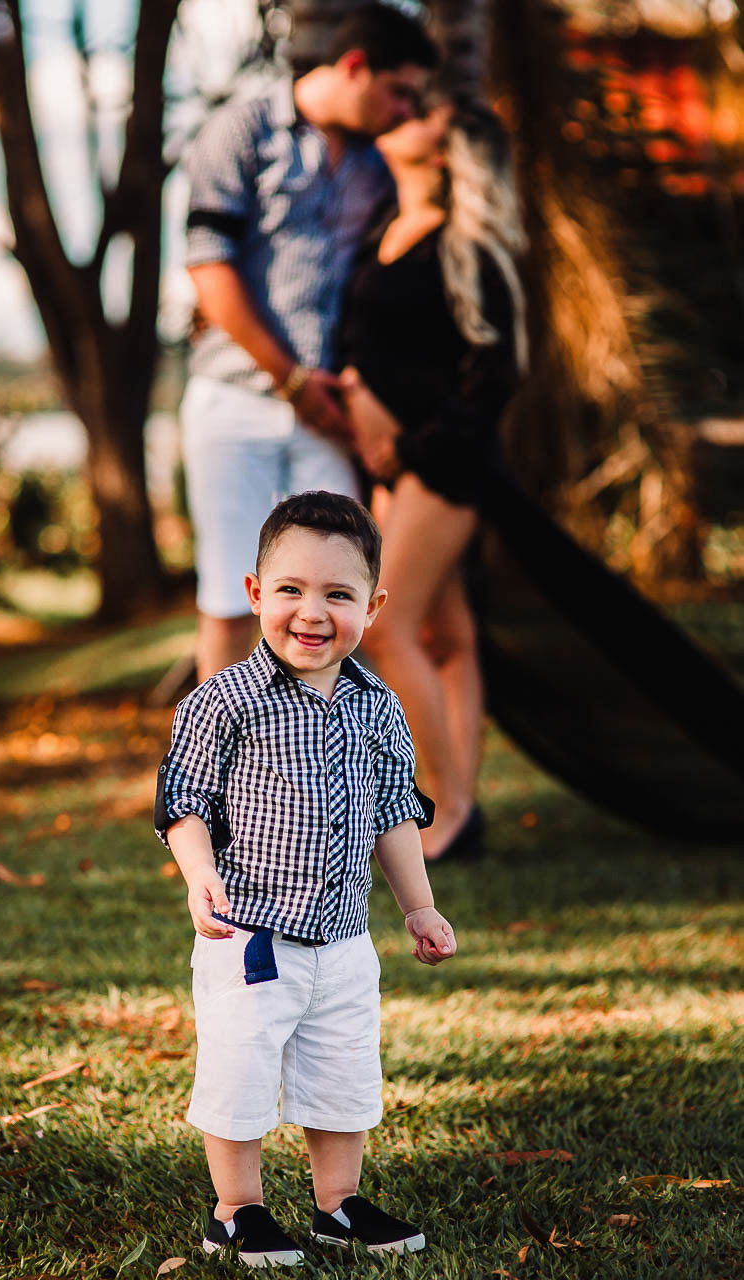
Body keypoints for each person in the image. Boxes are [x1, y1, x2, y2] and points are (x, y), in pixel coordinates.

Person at [154, 490, 456, 1267]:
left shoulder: (377, 706)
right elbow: (183, 802)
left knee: (343, 1072)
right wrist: (199, 877)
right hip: (250, 936)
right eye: (289, 589)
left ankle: (338, 1203)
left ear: (373, 605)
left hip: (344, 941)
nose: (310, 612)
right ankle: (236, 1210)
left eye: (337, 594)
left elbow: (394, 811)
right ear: (255, 594)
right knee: (241, 1069)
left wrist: (417, 906)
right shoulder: (222, 701)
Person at [180, 4, 437, 684]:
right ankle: (220, 784)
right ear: (354, 67)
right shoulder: (240, 129)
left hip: (328, 415)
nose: (404, 110)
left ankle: (312, 775)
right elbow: (209, 270)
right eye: (398, 91)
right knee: (231, 600)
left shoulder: (377, 162)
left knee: (330, 596)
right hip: (233, 399)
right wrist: (291, 380)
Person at [338, 98, 528, 860]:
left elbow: (495, 374)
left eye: (423, 115)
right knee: (445, 636)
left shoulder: (468, 245)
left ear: (447, 151)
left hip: (443, 465)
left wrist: (411, 447)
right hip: (389, 466)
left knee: (385, 627)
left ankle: (443, 813)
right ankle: (461, 807)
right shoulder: (381, 227)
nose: (401, 116)